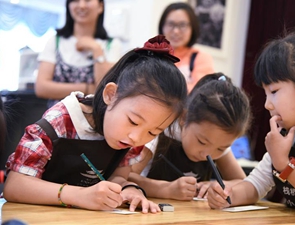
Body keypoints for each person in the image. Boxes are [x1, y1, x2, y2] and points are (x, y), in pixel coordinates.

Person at [3, 35, 187, 213]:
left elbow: (118, 176)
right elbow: (14, 185)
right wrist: (79, 195)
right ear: (111, 95)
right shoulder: (61, 120)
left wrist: (129, 189)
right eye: (133, 121)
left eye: (153, 132)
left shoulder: (130, 138)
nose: (137, 138)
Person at [207, 23, 295, 217]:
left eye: (274, 91)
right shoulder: (289, 133)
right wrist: (228, 195)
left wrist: (285, 165)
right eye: (265, 93)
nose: (267, 104)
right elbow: (256, 185)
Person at [128, 73, 251, 200]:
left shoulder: (217, 140)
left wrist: (218, 186)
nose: (206, 154)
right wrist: (165, 189)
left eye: (221, 149)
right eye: (202, 142)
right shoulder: (159, 132)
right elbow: (126, 176)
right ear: (184, 117)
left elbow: (244, 183)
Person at [35, 0, 123, 108]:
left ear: (100, 6)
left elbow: (104, 89)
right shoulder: (55, 41)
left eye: (88, 0)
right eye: (75, 0)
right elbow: (41, 88)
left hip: (93, 121)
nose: (81, 5)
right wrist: (87, 88)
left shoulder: (112, 45)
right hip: (56, 119)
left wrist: (96, 49)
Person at [159, 2, 215, 92]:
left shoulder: (201, 58)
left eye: (182, 25)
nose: (176, 31)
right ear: (162, 26)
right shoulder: (152, 55)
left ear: (192, 28)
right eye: (171, 24)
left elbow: (201, 92)